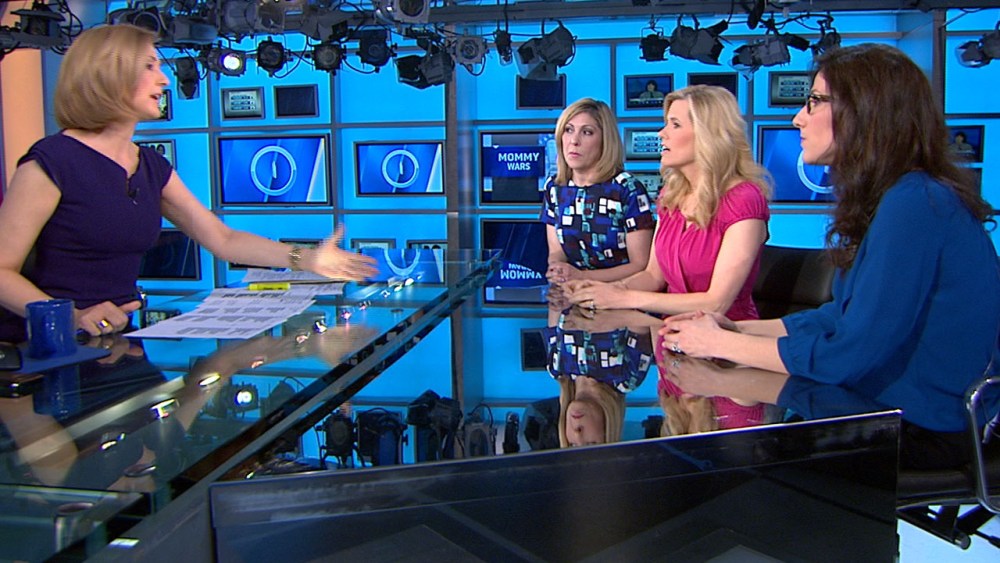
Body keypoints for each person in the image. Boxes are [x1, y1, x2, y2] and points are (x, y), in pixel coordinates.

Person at [660, 44, 1000, 470]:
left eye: (815, 101)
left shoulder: (916, 203)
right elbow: (840, 317)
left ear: (865, 111)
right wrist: (739, 330)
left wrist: (720, 344)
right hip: (880, 404)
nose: (797, 118)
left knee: (741, 465)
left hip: (927, 428)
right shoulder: (896, 199)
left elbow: (848, 356)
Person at [0, 24, 376, 342]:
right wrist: (70, 318)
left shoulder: (150, 166)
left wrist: (307, 259)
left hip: (116, 342)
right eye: (149, 66)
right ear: (107, 73)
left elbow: (223, 240)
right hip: (49, 348)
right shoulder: (53, 161)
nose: (163, 78)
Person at [563, 85, 771, 321]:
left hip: (726, 336)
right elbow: (653, 276)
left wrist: (624, 298)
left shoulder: (744, 200)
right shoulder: (671, 196)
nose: (662, 133)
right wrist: (603, 290)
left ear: (708, 135)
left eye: (675, 125)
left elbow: (716, 303)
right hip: (671, 335)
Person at [541, 98, 655, 303]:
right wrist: (557, 269)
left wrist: (583, 277)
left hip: (622, 300)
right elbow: (557, 252)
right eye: (568, 130)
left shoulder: (627, 189)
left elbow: (641, 265)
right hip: (571, 297)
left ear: (605, 140)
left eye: (587, 132)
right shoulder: (554, 187)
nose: (574, 141)